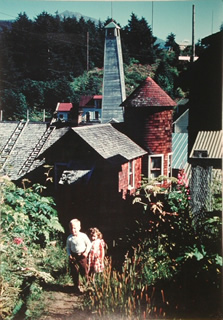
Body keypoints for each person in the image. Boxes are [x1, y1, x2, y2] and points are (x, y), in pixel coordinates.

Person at [66, 219, 91, 293]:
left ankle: (86, 285)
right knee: (74, 270)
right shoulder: (70, 238)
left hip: (82, 255)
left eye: (74, 228)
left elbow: (89, 244)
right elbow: (68, 247)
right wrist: (69, 254)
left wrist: (86, 252)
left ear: (79, 227)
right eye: (71, 228)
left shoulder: (83, 236)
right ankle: (76, 285)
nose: (73, 230)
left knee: (83, 270)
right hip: (74, 256)